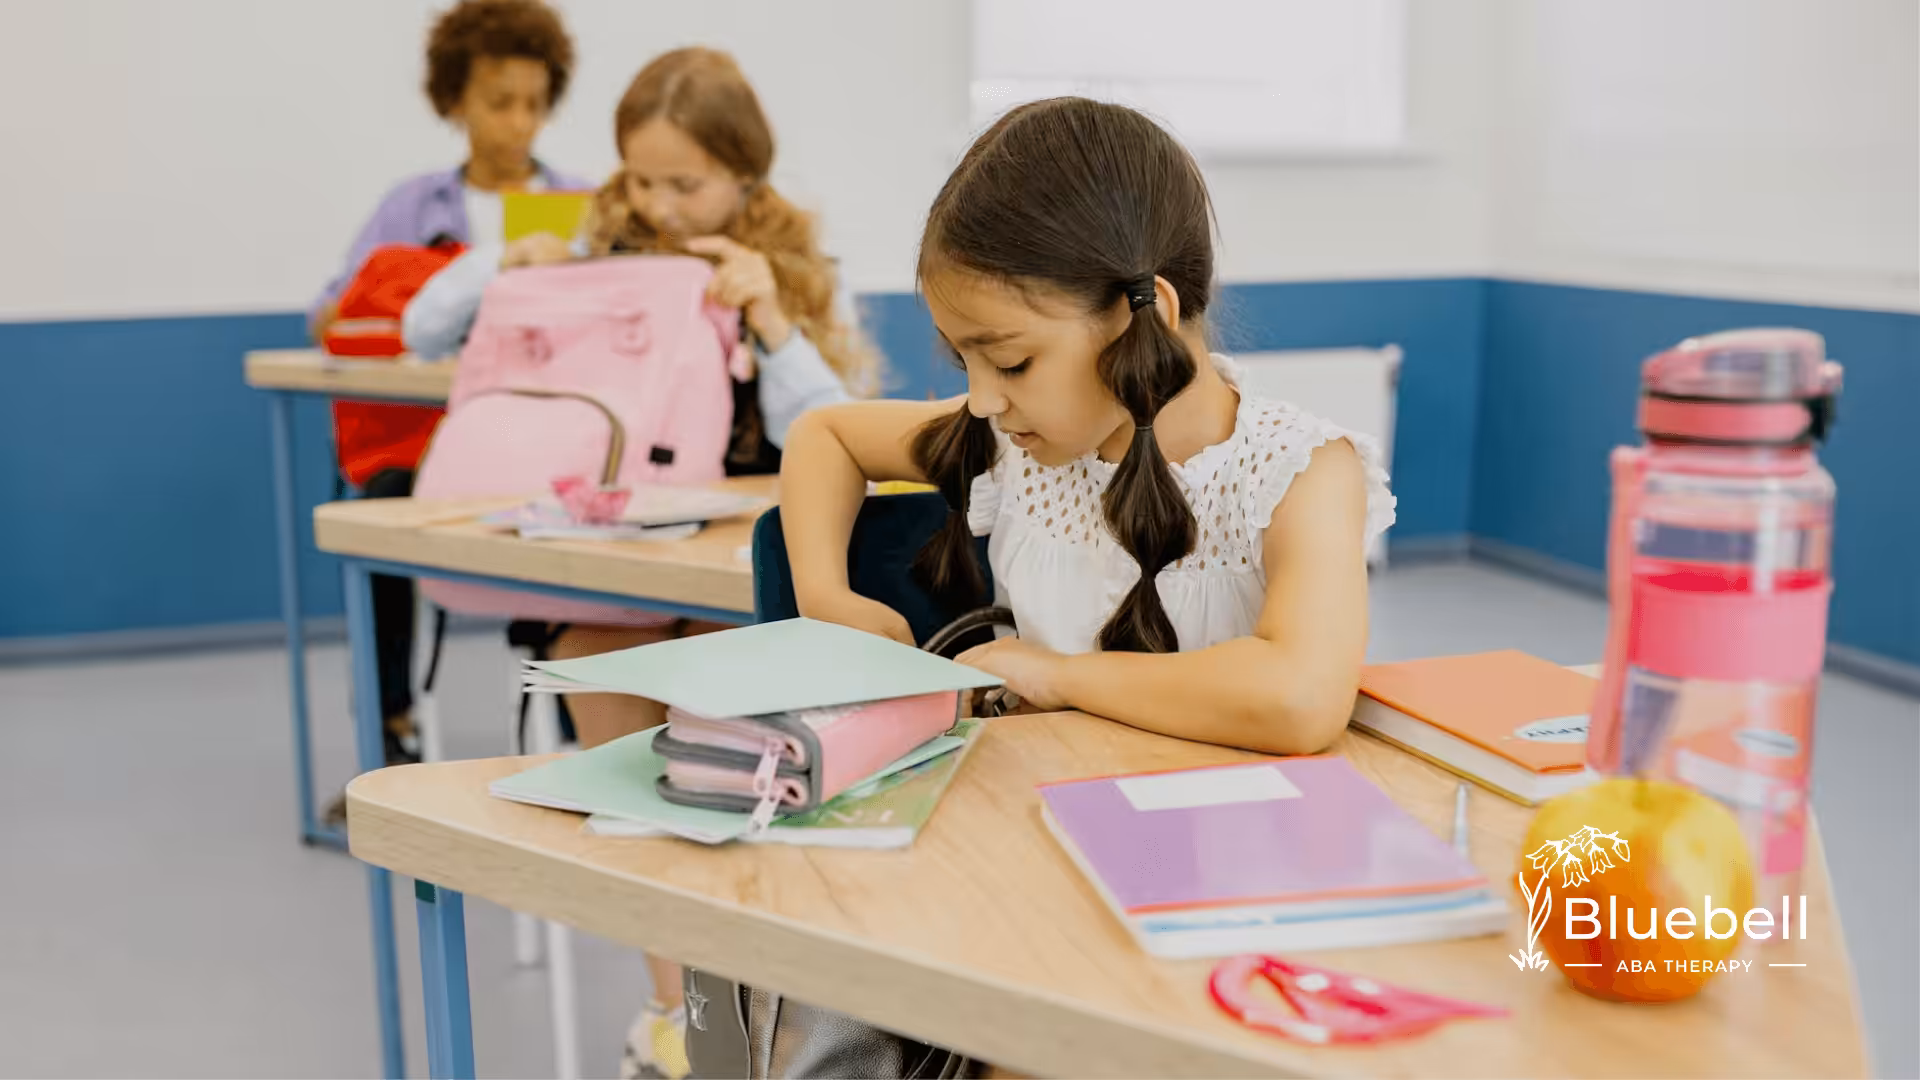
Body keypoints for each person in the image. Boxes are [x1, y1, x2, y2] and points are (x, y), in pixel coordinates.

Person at [404, 47, 874, 1080]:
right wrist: (508, 265)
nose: (658, 205)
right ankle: (687, 1018)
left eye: (686, 182)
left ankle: (748, 1005)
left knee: (714, 733)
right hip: (613, 571)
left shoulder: (783, 261)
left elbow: (835, 432)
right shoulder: (585, 239)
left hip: (734, 584)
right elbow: (421, 328)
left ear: (746, 175)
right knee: (623, 733)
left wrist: (771, 320)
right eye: (643, 178)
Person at [779, 97, 1397, 759]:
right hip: (1027, 812)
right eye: (966, 362)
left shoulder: (1300, 474)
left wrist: (1060, 676)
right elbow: (825, 438)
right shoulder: (1014, 445)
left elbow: (1301, 701)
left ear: (1147, 320)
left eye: (1012, 363)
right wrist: (825, 595)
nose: (983, 399)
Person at [309, 0, 586, 786]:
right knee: (385, 513)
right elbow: (329, 313)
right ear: (455, 100)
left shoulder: (584, 201)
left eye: (535, 104)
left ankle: (578, 722)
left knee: (585, 517)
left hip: (542, 445)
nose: (520, 124)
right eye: (500, 102)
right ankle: (390, 735)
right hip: (424, 443)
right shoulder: (410, 207)